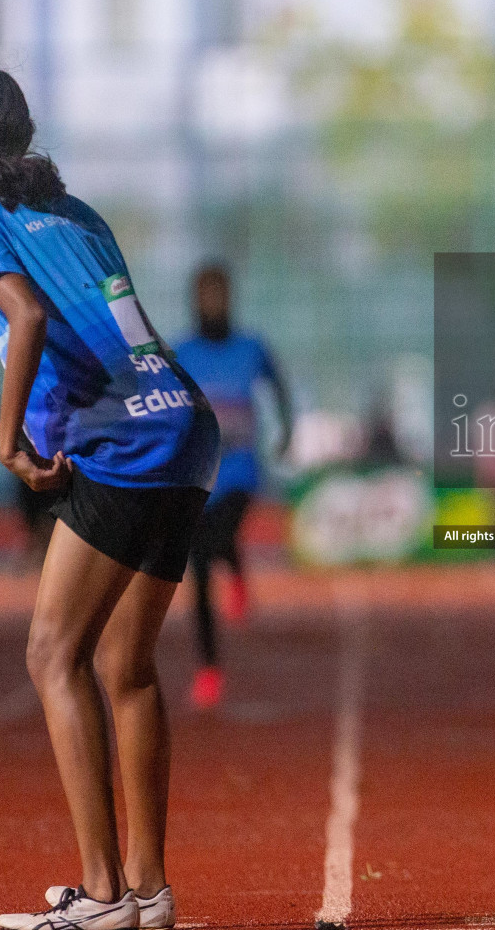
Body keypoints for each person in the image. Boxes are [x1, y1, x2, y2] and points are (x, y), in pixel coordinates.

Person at [0, 68, 220, 930]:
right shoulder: (79, 212)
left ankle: (101, 899)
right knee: (123, 666)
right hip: (187, 424)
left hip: (128, 442)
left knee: (53, 656)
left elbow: (26, 318)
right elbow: (126, 328)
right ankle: (147, 891)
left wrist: (8, 436)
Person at [173, 264, 292, 709]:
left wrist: (287, 430)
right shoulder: (181, 352)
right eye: (205, 297)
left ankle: (236, 569)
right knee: (198, 570)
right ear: (194, 301)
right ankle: (208, 668)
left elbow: (278, 385)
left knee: (219, 541)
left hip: (241, 475)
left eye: (219, 296)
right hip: (197, 477)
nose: (213, 305)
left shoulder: (252, 348)